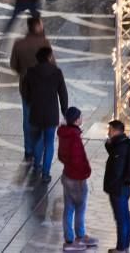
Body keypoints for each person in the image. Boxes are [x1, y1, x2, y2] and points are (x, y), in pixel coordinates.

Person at [21, 46, 68, 181]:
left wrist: (30, 102)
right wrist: (64, 111)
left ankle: (37, 165)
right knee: (49, 143)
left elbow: (26, 92)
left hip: (35, 112)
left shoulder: (30, 72)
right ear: (49, 57)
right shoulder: (57, 72)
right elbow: (63, 93)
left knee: (37, 139)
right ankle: (46, 173)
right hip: (51, 113)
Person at [9, 17, 51, 163]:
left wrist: (23, 72)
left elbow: (13, 65)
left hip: (26, 87)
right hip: (43, 89)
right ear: (37, 26)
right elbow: (52, 65)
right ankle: (39, 150)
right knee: (41, 120)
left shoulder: (19, 44)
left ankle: (28, 150)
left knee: (27, 119)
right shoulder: (44, 43)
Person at [57, 107, 97, 251]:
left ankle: (74, 237)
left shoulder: (64, 133)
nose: (82, 118)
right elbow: (77, 159)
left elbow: (61, 156)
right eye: (80, 117)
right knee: (79, 207)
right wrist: (86, 171)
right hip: (76, 178)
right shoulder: (74, 136)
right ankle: (74, 239)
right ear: (75, 120)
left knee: (69, 207)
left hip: (67, 175)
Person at [104, 120, 130, 253]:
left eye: (110, 130)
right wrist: (108, 144)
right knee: (126, 218)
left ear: (115, 131)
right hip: (124, 188)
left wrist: (110, 185)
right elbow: (114, 154)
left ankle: (121, 248)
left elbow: (116, 170)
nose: (108, 132)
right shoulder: (123, 143)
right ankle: (125, 246)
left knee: (121, 220)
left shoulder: (120, 148)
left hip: (118, 189)